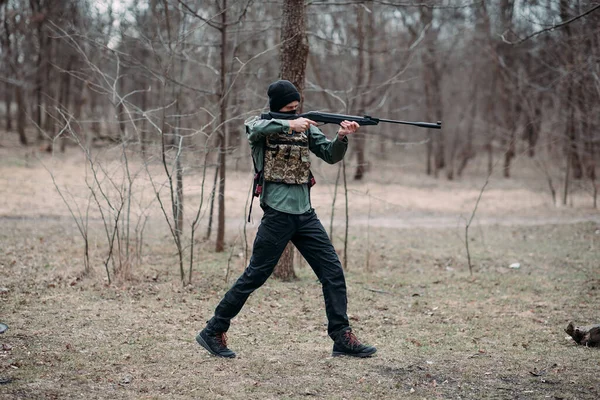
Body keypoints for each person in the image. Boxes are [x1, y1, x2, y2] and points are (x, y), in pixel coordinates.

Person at [196, 80, 376, 358]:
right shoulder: (262, 127)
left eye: (297, 108)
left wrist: (342, 136)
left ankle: (341, 337)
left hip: (305, 215)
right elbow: (253, 128)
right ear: (278, 107)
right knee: (255, 275)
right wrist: (288, 125)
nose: (295, 111)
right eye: (290, 108)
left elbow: (330, 156)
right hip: (278, 215)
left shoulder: (307, 128)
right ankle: (213, 329)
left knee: (332, 273)